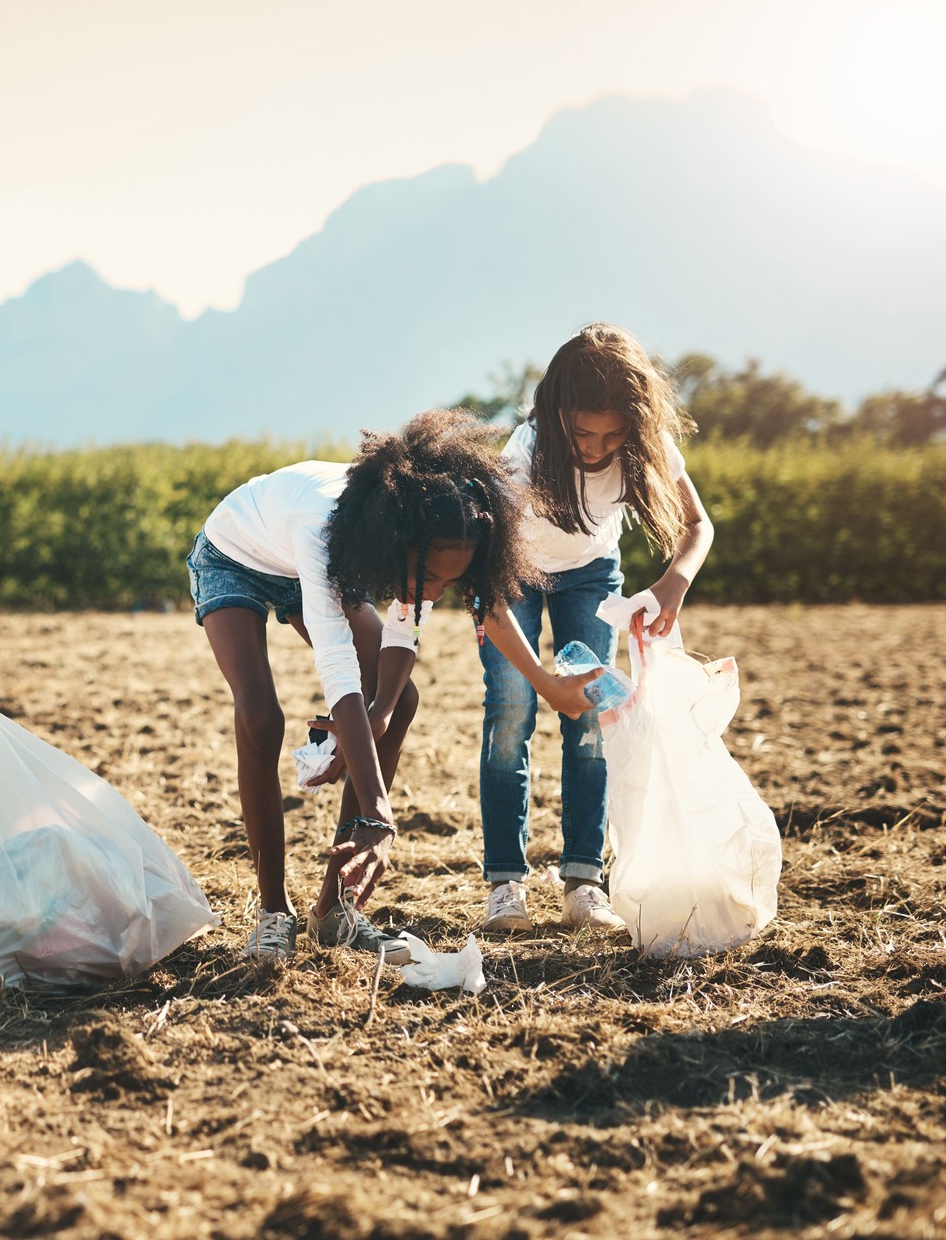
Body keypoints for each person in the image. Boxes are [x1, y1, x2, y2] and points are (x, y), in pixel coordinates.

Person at [189, 409, 544, 963]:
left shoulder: (430, 545)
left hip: (319, 565)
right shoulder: (328, 528)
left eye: (451, 581)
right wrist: (378, 812)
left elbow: (404, 634)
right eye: (430, 579)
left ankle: (335, 909)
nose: (437, 591)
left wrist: (377, 717)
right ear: (399, 542)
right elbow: (337, 667)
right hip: (237, 555)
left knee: (401, 698)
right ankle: (272, 913)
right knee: (261, 717)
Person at [475, 323, 714, 933]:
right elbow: (487, 587)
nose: (595, 447)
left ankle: (584, 880)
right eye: (582, 432)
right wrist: (541, 681)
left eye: (613, 435)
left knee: (591, 722)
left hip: (591, 576)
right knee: (510, 712)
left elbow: (698, 527)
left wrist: (673, 583)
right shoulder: (524, 456)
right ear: (557, 415)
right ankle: (507, 884)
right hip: (514, 576)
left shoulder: (649, 444)